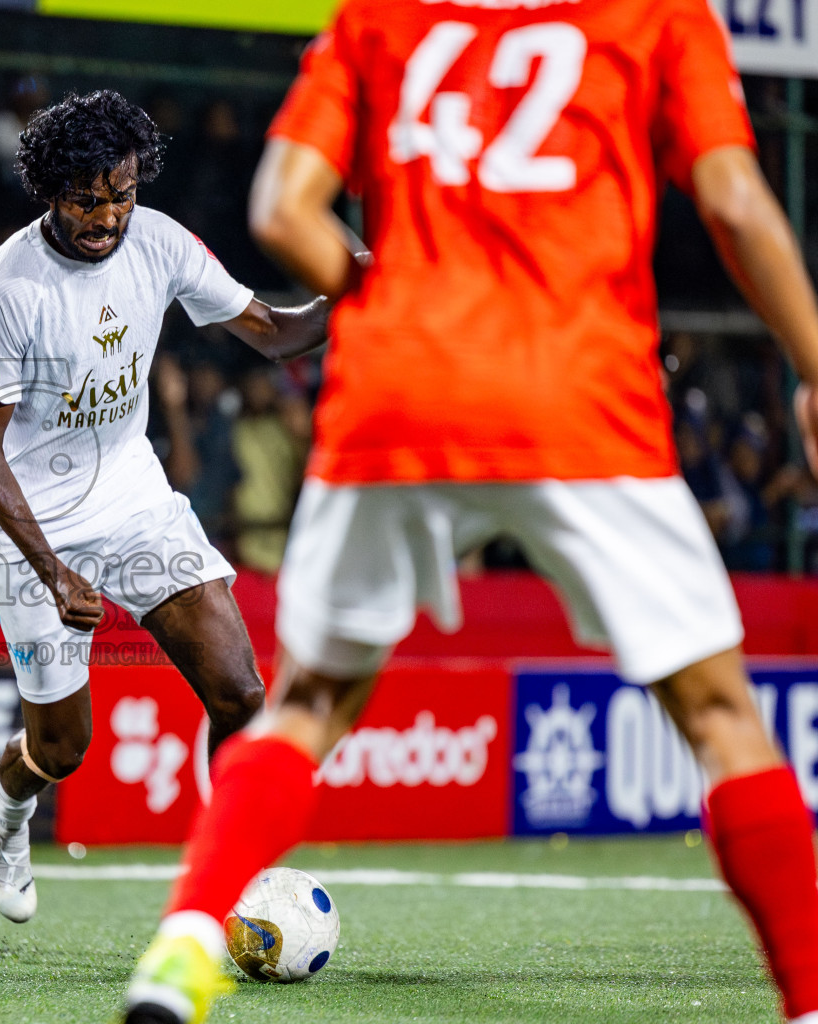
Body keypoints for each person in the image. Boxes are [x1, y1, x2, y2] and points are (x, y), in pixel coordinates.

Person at [121, 1, 818, 1021]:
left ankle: (184, 942)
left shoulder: (379, 20)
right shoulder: (658, 15)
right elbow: (737, 203)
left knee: (308, 706)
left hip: (399, 396)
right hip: (580, 396)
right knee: (720, 717)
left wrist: (400, 301)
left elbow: (280, 211)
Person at [0, 90, 337, 924]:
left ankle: (231, 880)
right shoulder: (7, 286)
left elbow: (275, 332)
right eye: (86, 199)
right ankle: (3, 804)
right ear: (49, 189)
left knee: (241, 695)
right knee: (64, 747)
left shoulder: (159, 241)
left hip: (132, 498)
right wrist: (53, 571)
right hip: (31, 526)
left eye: (122, 195)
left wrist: (358, 289)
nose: (107, 216)